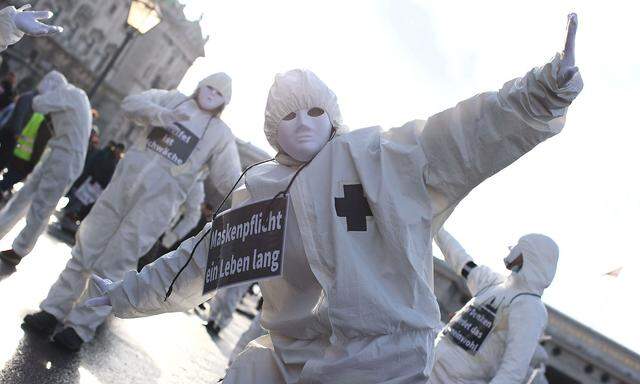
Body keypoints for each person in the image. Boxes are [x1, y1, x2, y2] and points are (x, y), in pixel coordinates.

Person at [88, 14, 582, 382]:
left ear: (332, 115)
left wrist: (539, 95)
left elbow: (463, 135)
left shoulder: (381, 157)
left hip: (383, 359)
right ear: (271, 129)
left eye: (314, 111)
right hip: (292, 352)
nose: (303, 123)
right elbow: (199, 260)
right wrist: (128, 293)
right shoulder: (259, 192)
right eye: (289, 115)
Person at [23, 72, 242, 351]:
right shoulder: (170, 99)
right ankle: (53, 309)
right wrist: (160, 115)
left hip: (156, 206)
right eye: (208, 87)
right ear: (200, 85)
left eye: (218, 94)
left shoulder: (220, 135)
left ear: (225, 102)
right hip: (122, 186)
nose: (211, 95)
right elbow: (131, 104)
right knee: (85, 246)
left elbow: (229, 177)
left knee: (115, 263)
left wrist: (253, 194)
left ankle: (80, 327)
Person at [429, 229, 558, 384]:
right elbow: (460, 259)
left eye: (519, 247)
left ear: (531, 256)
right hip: (425, 370)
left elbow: (512, 371)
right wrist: (437, 226)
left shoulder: (530, 308)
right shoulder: (493, 284)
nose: (513, 250)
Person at [0, 71, 91, 265]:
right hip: (59, 151)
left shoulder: (69, 93)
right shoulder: (74, 95)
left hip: (66, 157)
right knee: (25, 194)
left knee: (42, 205)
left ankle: (20, 250)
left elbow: (38, 104)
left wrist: (42, 95)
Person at [137, 181, 206, 271]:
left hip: (158, 233)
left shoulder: (195, 183)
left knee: (140, 267)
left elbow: (193, 216)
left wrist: (174, 235)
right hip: (138, 219)